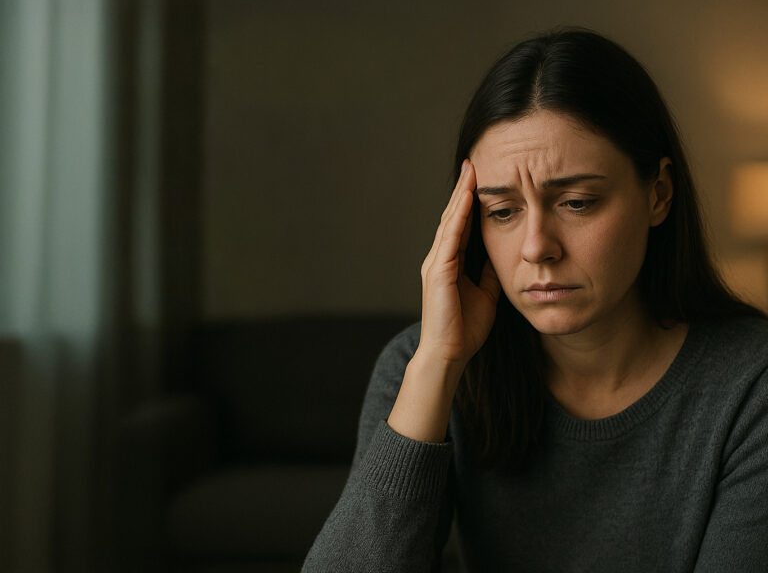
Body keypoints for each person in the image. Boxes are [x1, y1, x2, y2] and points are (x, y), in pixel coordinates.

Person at [302, 28, 768, 572]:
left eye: (577, 202)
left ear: (658, 194)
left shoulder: (750, 385)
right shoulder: (421, 367)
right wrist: (437, 365)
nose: (536, 248)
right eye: (502, 211)